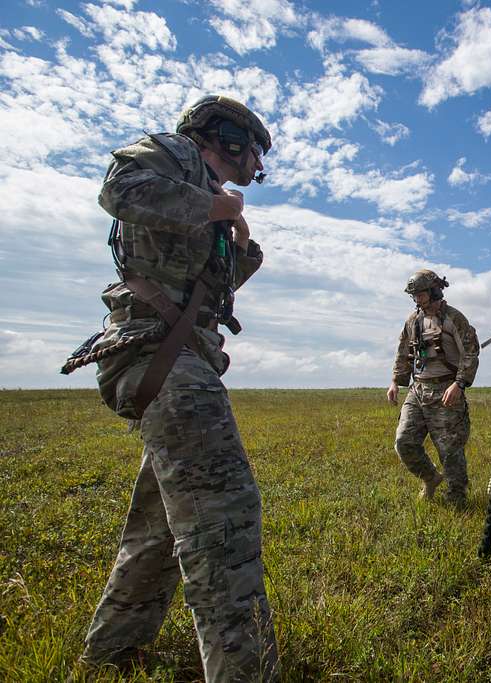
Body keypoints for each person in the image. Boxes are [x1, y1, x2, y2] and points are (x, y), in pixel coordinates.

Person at [76, 95, 278, 681]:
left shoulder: (211, 199)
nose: (257, 164)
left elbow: (207, 291)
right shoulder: (174, 153)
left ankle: (110, 652)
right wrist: (214, 206)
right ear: (229, 139)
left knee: (159, 526)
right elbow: (121, 188)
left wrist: (241, 248)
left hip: (177, 356)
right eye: (254, 150)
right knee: (225, 522)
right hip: (155, 353)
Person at [388, 269, 480, 506]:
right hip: (418, 390)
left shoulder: (454, 318)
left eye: (420, 293)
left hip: (446, 391)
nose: (417, 298)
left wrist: (459, 384)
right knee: (404, 441)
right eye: (414, 295)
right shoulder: (413, 320)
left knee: (450, 450)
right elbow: (403, 352)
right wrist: (396, 382)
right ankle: (430, 478)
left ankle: (457, 499)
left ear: (433, 290)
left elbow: (470, 352)